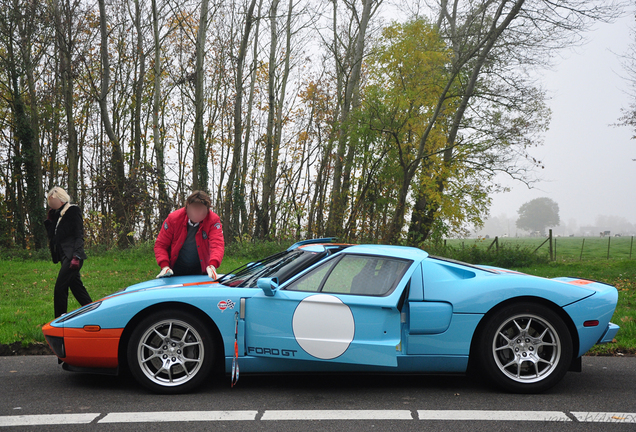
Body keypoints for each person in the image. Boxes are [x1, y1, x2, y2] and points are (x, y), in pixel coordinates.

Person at [44, 187, 93, 318]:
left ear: (61, 199)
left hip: (72, 256)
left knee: (60, 288)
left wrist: (77, 256)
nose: (51, 205)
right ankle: (93, 312)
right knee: (77, 288)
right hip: (64, 256)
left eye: (53, 201)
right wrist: (50, 222)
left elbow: (79, 235)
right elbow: (55, 238)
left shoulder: (73, 211)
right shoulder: (57, 215)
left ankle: (59, 320)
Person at [154, 190, 224, 279]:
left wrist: (213, 264)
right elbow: (161, 245)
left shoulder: (213, 221)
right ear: (187, 206)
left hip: (201, 269)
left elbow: (217, 245)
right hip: (173, 269)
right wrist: (164, 266)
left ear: (207, 209)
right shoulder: (173, 218)